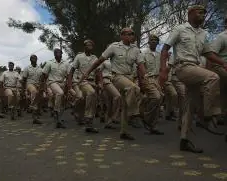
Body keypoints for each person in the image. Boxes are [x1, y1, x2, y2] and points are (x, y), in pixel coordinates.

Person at [159, 5, 227, 153]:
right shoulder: (180, 29)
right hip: (183, 67)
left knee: (189, 106)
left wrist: (223, 63)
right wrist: (163, 70)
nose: (203, 15)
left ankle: (184, 140)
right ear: (190, 13)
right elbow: (164, 49)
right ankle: (207, 116)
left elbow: (208, 53)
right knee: (213, 77)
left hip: (195, 68)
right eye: (200, 12)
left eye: (204, 13)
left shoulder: (203, 33)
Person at [80, 28, 143, 140]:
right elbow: (99, 61)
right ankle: (134, 114)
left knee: (126, 103)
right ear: (122, 36)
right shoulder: (114, 47)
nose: (131, 36)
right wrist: (88, 71)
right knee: (132, 88)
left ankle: (124, 132)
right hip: (117, 76)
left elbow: (140, 65)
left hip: (129, 77)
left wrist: (145, 77)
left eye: (133, 34)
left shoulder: (136, 50)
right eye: (129, 34)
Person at [68, 40, 99, 133]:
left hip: (93, 82)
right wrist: (69, 83)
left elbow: (98, 72)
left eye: (91, 45)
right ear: (84, 47)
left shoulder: (95, 58)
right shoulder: (79, 56)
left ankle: (78, 113)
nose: (89, 46)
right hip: (83, 81)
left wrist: (100, 83)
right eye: (87, 45)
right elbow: (72, 70)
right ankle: (88, 119)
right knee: (91, 93)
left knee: (84, 100)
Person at [42, 48, 69, 128]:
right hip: (52, 82)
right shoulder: (49, 63)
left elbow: (68, 75)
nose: (58, 53)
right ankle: (56, 111)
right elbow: (44, 75)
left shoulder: (66, 63)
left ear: (62, 53)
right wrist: (44, 86)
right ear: (54, 54)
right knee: (60, 93)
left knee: (63, 100)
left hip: (63, 83)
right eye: (56, 52)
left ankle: (58, 119)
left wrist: (68, 84)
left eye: (59, 52)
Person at [22, 55, 43, 124]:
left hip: (38, 85)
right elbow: (24, 79)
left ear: (37, 59)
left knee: (40, 98)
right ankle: (34, 116)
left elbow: (42, 79)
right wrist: (24, 89)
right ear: (30, 60)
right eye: (32, 58)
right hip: (30, 84)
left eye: (35, 58)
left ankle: (33, 109)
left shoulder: (40, 69)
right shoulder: (27, 68)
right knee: (34, 92)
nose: (34, 59)